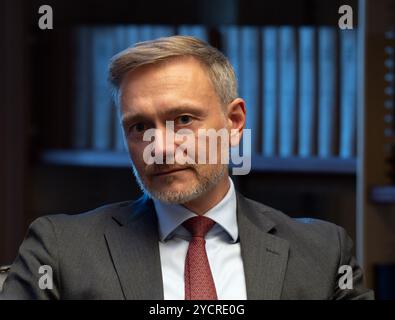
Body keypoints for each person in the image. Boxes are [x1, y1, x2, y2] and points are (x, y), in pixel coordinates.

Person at [1, 36, 373, 300]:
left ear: (235, 122)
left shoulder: (323, 254)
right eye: (140, 126)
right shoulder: (60, 251)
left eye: (182, 119)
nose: (160, 148)